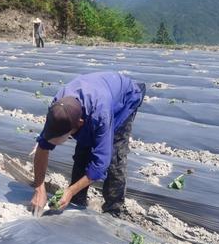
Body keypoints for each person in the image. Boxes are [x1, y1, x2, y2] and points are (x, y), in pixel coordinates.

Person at [30, 72, 145, 216]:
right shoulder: (58, 108)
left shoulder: (100, 115)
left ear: (79, 123)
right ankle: (77, 201)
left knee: (114, 158)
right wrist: (39, 188)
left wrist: (70, 190)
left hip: (124, 100)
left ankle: (113, 210)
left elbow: (100, 165)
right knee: (82, 154)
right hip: (94, 100)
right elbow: (43, 147)